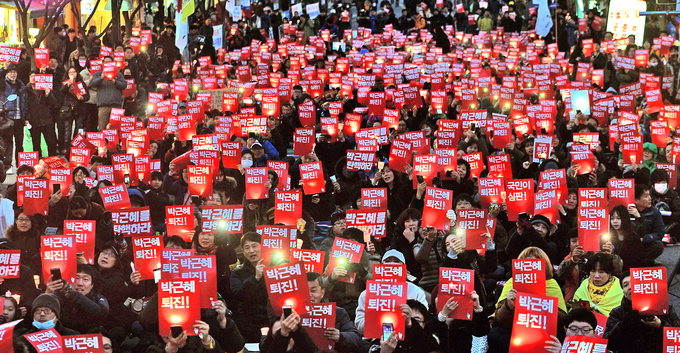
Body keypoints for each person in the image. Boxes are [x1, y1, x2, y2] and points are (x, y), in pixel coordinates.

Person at [354, 249, 428, 334]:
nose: (392, 264)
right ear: (381, 266)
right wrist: (376, 318)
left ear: (404, 267)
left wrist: (409, 320)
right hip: (377, 338)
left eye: (396, 261)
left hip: (409, 337)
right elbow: (359, 325)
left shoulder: (416, 291)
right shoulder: (368, 293)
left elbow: (424, 318)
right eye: (388, 261)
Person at [604, 271, 680, 353]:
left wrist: (660, 325)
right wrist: (626, 322)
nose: (630, 287)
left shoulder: (665, 308)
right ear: (623, 292)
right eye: (625, 285)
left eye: (634, 283)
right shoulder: (617, 313)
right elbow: (608, 343)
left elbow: (677, 338)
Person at [44, 264, 109, 333]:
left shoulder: (98, 298)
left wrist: (73, 295)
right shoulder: (60, 295)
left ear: (92, 285)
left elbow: (100, 313)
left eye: (85, 279)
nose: (80, 283)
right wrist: (47, 294)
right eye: (76, 278)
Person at [229, 232, 269, 342]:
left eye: (255, 246)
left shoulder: (274, 269)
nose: (251, 251)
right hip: (248, 326)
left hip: (272, 322)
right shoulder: (237, 273)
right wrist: (255, 278)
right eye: (247, 247)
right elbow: (238, 295)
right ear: (243, 251)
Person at [13, 293, 79, 352]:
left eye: (47, 311)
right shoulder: (23, 341)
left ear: (57, 316)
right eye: (37, 311)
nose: (42, 314)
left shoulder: (71, 337)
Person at [569, 252, 624, 317]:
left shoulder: (620, 288)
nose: (596, 276)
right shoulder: (584, 285)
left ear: (610, 273)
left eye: (601, 272)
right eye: (593, 271)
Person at [0, 63, 28, 173]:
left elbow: (25, 102)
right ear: (7, 73)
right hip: (7, 117)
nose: (13, 74)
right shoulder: (2, 84)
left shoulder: (21, 85)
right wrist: (4, 68)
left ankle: (19, 165)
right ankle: (7, 165)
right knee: (8, 142)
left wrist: (25, 116)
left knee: (20, 142)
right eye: (10, 72)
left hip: (19, 117)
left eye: (15, 72)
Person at [88, 56, 127, 131]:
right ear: (103, 64)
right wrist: (101, 78)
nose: (107, 64)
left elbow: (124, 85)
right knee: (102, 128)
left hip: (116, 106)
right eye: (105, 62)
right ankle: (103, 143)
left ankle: (115, 143)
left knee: (116, 128)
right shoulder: (98, 74)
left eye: (109, 62)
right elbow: (92, 84)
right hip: (103, 106)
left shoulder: (118, 74)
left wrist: (115, 81)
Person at [25, 71, 59, 158]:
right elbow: (24, 106)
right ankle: (38, 162)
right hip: (33, 120)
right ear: (29, 78)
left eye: (35, 76)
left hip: (46, 120)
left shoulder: (44, 88)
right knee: (36, 144)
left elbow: (54, 104)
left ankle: (53, 160)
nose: (33, 78)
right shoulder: (25, 90)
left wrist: (48, 94)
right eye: (31, 76)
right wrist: (27, 118)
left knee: (51, 142)